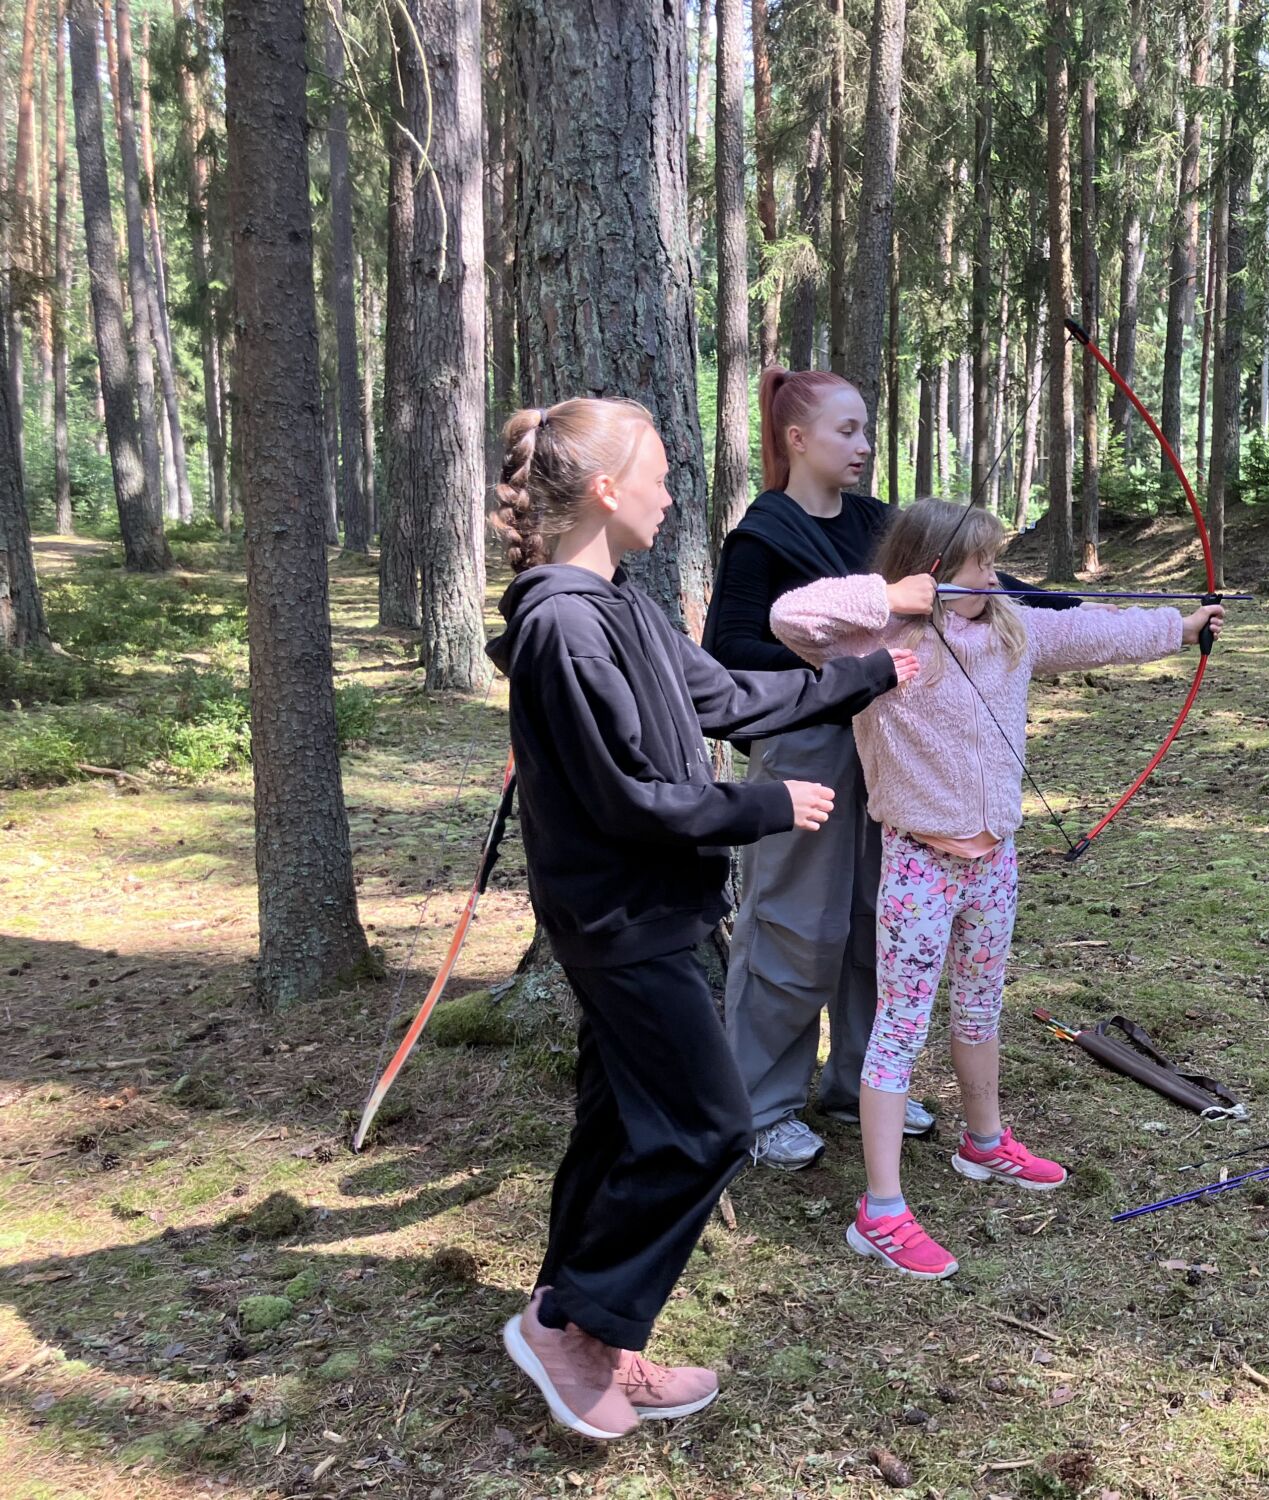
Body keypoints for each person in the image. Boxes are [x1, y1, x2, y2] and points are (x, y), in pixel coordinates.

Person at [483, 398, 918, 1440]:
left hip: (656, 911)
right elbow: (624, 797)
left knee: (618, 1124)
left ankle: (583, 1328)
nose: (671, 491)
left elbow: (724, 697)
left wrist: (869, 673)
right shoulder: (560, 628)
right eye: (660, 473)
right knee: (708, 1129)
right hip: (617, 919)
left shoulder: (621, 604)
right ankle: (572, 1325)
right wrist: (765, 805)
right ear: (602, 490)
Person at [769, 498, 1225, 1277]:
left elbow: (1092, 631)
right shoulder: (877, 636)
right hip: (919, 859)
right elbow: (789, 615)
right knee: (900, 1029)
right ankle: (879, 1210)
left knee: (980, 1007)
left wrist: (1181, 628)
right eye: (980, 564)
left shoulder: (1011, 627)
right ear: (935, 570)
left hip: (995, 860)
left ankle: (984, 1144)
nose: (995, 575)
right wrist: (892, 597)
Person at [704, 368, 1075, 1171]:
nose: (864, 446)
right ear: (796, 439)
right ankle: (761, 1104)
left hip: (900, 750)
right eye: (847, 431)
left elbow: (986, 588)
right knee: (796, 924)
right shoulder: (763, 534)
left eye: (867, 430)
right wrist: (848, 665)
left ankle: (863, 1081)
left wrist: (1082, 609)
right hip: (809, 747)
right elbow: (730, 653)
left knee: (883, 922)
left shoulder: (878, 522)